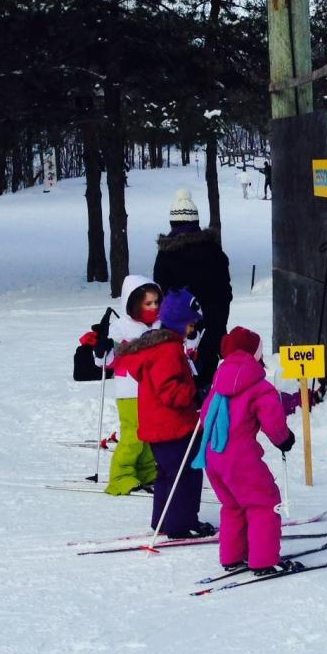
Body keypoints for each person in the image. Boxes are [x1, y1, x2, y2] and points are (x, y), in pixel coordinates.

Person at [194, 328, 299, 575]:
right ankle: (263, 560)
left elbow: (206, 415)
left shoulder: (218, 383)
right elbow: (273, 421)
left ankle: (231, 556)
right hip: (241, 459)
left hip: (213, 456)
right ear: (255, 354)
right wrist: (284, 440)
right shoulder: (259, 386)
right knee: (263, 503)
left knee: (233, 505)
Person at [114, 288, 213, 539]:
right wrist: (193, 393)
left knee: (167, 473)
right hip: (172, 425)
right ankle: (180, 524)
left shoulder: (160, 346)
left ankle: (165, 519)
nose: (193, 329)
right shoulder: (167, 349)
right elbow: (168, 390)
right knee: (185, 473)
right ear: (181, 322)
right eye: (191, 324)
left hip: (160, 426)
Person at [82, 273, 163, 496]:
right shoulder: (121, 328)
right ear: (134, 304)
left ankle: (147, 471)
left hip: (152, 389)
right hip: (130, 390)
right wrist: (102, 349)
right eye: (148, 303)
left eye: (156, 302)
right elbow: (106, 361)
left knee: (149, 433)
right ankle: (120, 475)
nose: (153, 307)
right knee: (134, 434)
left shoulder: (158, 325)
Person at [152, 189, 231, 397]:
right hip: (212, 330)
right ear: (196, 222)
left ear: (172, 224)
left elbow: (160, 294)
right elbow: (225, 293)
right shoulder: (214, 252)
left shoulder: (166, 255)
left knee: (178, 387)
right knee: (207, 388)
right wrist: (217, 323)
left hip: (177, 335)